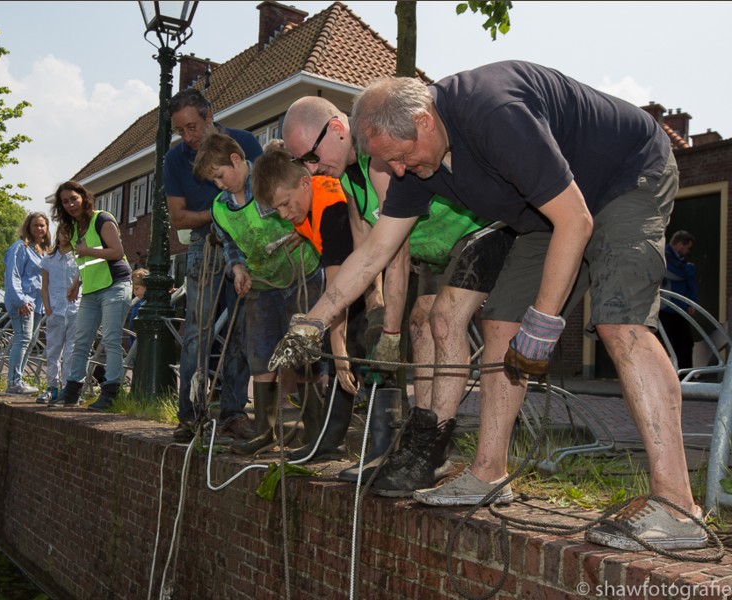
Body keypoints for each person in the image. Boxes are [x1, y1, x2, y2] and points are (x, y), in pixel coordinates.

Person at [273, 61, 707, 551]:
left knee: (620, 325)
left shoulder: (495, 114)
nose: (397, 172)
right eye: (389, 164)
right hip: (550, 211)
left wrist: (544, 321)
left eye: (401, 158)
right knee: (500, 321)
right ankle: (488, 473)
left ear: (424, 121)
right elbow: (375, 252)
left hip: (625, 177)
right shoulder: (413, 161)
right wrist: (312, 322)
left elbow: (576, 221)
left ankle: (677, 507)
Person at [281, 97, 516, 494]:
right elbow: (365, 249)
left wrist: (389, 336)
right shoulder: (346, 180)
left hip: (477, 229)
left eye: (310, 155)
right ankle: (418, 444)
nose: (311, 167)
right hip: (438, 250)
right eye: (301, 162)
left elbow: (396, 253)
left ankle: (431, 447)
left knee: (438, 320)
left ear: (338, 130)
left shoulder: (381, 163)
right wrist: (375, 306)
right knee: (420, 323)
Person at [252, 146, 385, 461]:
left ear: (304, 182)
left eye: (285, 204)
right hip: (359, 276)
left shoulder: (331, 208)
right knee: (352, 346)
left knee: (370, 348)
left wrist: (337, 351)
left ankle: (384, 440)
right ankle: (329, 438)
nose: (284, 215)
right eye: (277, 209)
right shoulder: (307, 204)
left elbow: (339, 290)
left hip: (380, 277)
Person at [196, 132, 324, 453]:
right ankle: (264, 431)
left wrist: (303, 232)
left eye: (220, 175)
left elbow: (302, 208)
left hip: (300, 275)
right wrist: (237, 268)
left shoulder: (267, 181)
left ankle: (316, 433)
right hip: (262, 285)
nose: (219, 185)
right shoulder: (220, 208)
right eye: (213, 181)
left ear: (237, 161)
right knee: (260, 352)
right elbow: (230, 244)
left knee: (302, 353)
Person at [164, 87, 263, 443]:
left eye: (193, 127)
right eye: (181, 131)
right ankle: (190, 415)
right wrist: (224, 212)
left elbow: (263, 193)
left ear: (210, 116)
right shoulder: (175, 160)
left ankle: (234, 412)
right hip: (204, 246)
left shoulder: (245, 142)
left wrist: (230, 217)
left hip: (246, 246)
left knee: (241, 328)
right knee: (198, 332)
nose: (188, 137)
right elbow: (178, 218)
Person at [51, 180, 132, 411]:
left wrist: (86, 250)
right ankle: (72, 391)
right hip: (91, 289)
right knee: (81, 341)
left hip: (115, 285)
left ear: (84, 198)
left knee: (111, 339)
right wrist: (77, 282)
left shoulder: (102, 219)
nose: (70, 204)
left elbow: (117, 252)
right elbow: (87, 261)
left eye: (73, 199)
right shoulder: (76, 228)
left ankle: (111, 392)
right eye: (65, 202)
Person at [3, 211, 50, 395]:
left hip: (38, 303)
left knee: (30, 341)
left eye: (42, 225)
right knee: (23, 338)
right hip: (24, 301)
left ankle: (18, 380)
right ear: (28, 228)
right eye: (35, 225)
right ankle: (14, 382)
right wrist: (20, 299)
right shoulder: (20, 247)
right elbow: (12, 274)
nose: (39, 228)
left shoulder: (43, 250)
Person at [37, 224, 81, 406]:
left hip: (74, 309)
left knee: (71, 350)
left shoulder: (79, 258)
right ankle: (51, 387)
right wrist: (47, 308)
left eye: (69, 233)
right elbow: (44, 286)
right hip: (55, 309)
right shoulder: (49, 259)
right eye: (63, 232)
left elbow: (84, 278)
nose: (65, 236)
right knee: (53, 350)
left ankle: (67, 388)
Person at [660, 230, 698, 371]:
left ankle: (685, 375)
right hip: (665, 310)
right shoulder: (663, 257)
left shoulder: (683, 263)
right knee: (664, 343)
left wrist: (691, 302)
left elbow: (690, 284)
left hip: (680, 309)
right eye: (687, 247)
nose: (688, 251)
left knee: (686, 343)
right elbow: (672, 274)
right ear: (680, 245)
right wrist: (687, 271)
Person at [123, 268, 149, 370]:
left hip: (143, 343)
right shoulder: (136, 303)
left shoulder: (144, 303)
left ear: (146, 287)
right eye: (133, 289)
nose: (134, 292)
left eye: (137, 288)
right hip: (134, 341)